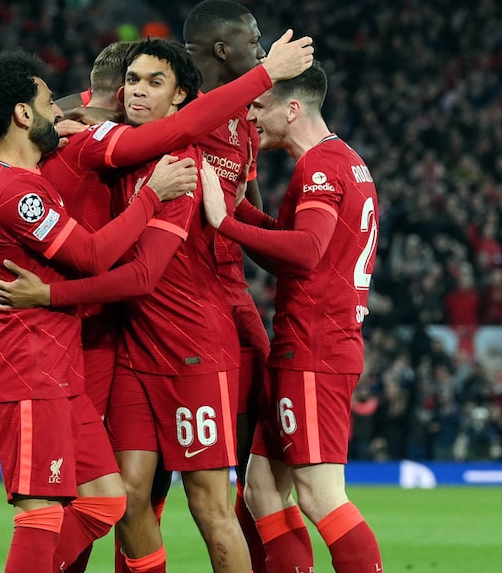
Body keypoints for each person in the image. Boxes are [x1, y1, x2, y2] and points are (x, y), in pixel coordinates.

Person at [37, 31, 313, 573]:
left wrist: (49, 294)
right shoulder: (117, 144)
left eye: (155, 82)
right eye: (133, 81)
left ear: (181, 97)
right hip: (134, 351)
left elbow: (142, 275)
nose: (138, 91)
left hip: (191, 351)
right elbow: (84, 101)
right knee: (128, 495)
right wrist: (61, 122)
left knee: (209, 505)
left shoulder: (182, 166)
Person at [0, 49, 194, 573]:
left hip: (58, 367)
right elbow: (91, 257)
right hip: (25, 365)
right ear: (24, 115)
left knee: (104, 499)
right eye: (51, 102)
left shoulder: (6, 173)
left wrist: (75, 131)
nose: (64, 111)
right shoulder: (13, 190)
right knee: (40, 514)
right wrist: (151, 197)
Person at [202, 61, 383, 573]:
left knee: (320, 494)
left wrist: (222, 222)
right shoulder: (346, 161)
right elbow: (290, 251)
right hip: (305, 345)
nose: (253, 114)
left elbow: (305, 250)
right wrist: (240, 212)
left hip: (315, 348)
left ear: (293, 108)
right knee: (261, 488)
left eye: (261, 106)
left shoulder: (319, 167)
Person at [184, 0, 276, 569]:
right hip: (184, 309)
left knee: (272, 434)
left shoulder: (245, 122)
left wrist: (306, 256)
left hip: (233, 299)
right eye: (255, 38)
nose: (262, 46)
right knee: (157, 485)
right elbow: (95, 101)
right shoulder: (174, 109)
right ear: (224, 49)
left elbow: (252, 217)